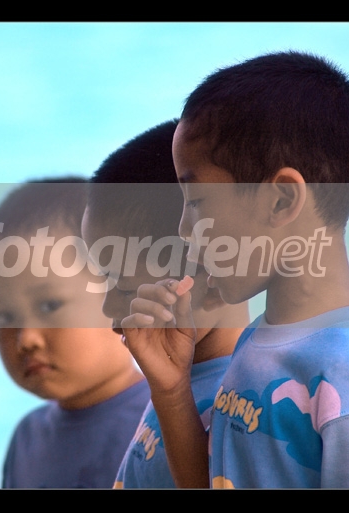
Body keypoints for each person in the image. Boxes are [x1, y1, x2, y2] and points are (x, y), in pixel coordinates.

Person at [121, 51, 349, 488]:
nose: (183, 229)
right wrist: (171, 390)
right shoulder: (261, 339)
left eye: (195, 202)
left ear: (282, 200)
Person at [81, 119, 249, 488]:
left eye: (125, 288)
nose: (108, 308)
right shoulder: (178, 382)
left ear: (214, 284)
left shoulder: (241, 410)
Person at [0, 177, 150, 488]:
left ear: (121, 292)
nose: (27, 339)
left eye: (49, 305)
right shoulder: (27, 439)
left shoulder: (165, 423)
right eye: (4, 316)